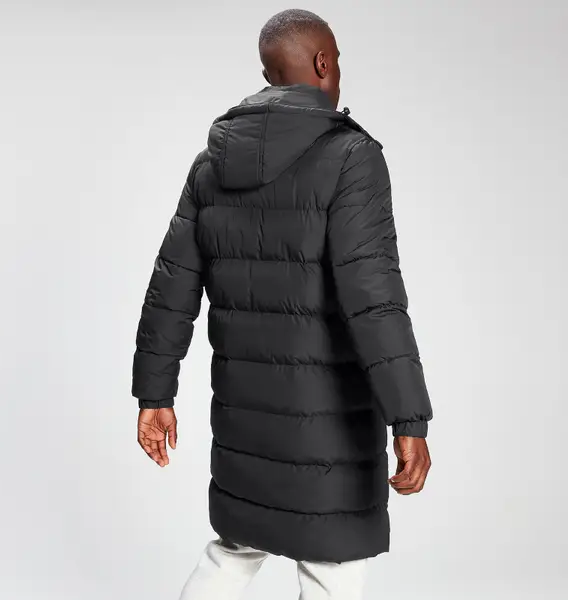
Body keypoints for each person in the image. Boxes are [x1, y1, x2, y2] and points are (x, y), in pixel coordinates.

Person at [132, 8, 433, 600]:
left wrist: (154, 395)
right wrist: (409, 417)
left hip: (244, 419)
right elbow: (374, 298)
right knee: (333, 567)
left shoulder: (212, 164)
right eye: (337, 60)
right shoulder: (351, 157)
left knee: (235, 550)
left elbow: (170, 286)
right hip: (329, 427)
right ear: (323, 63)